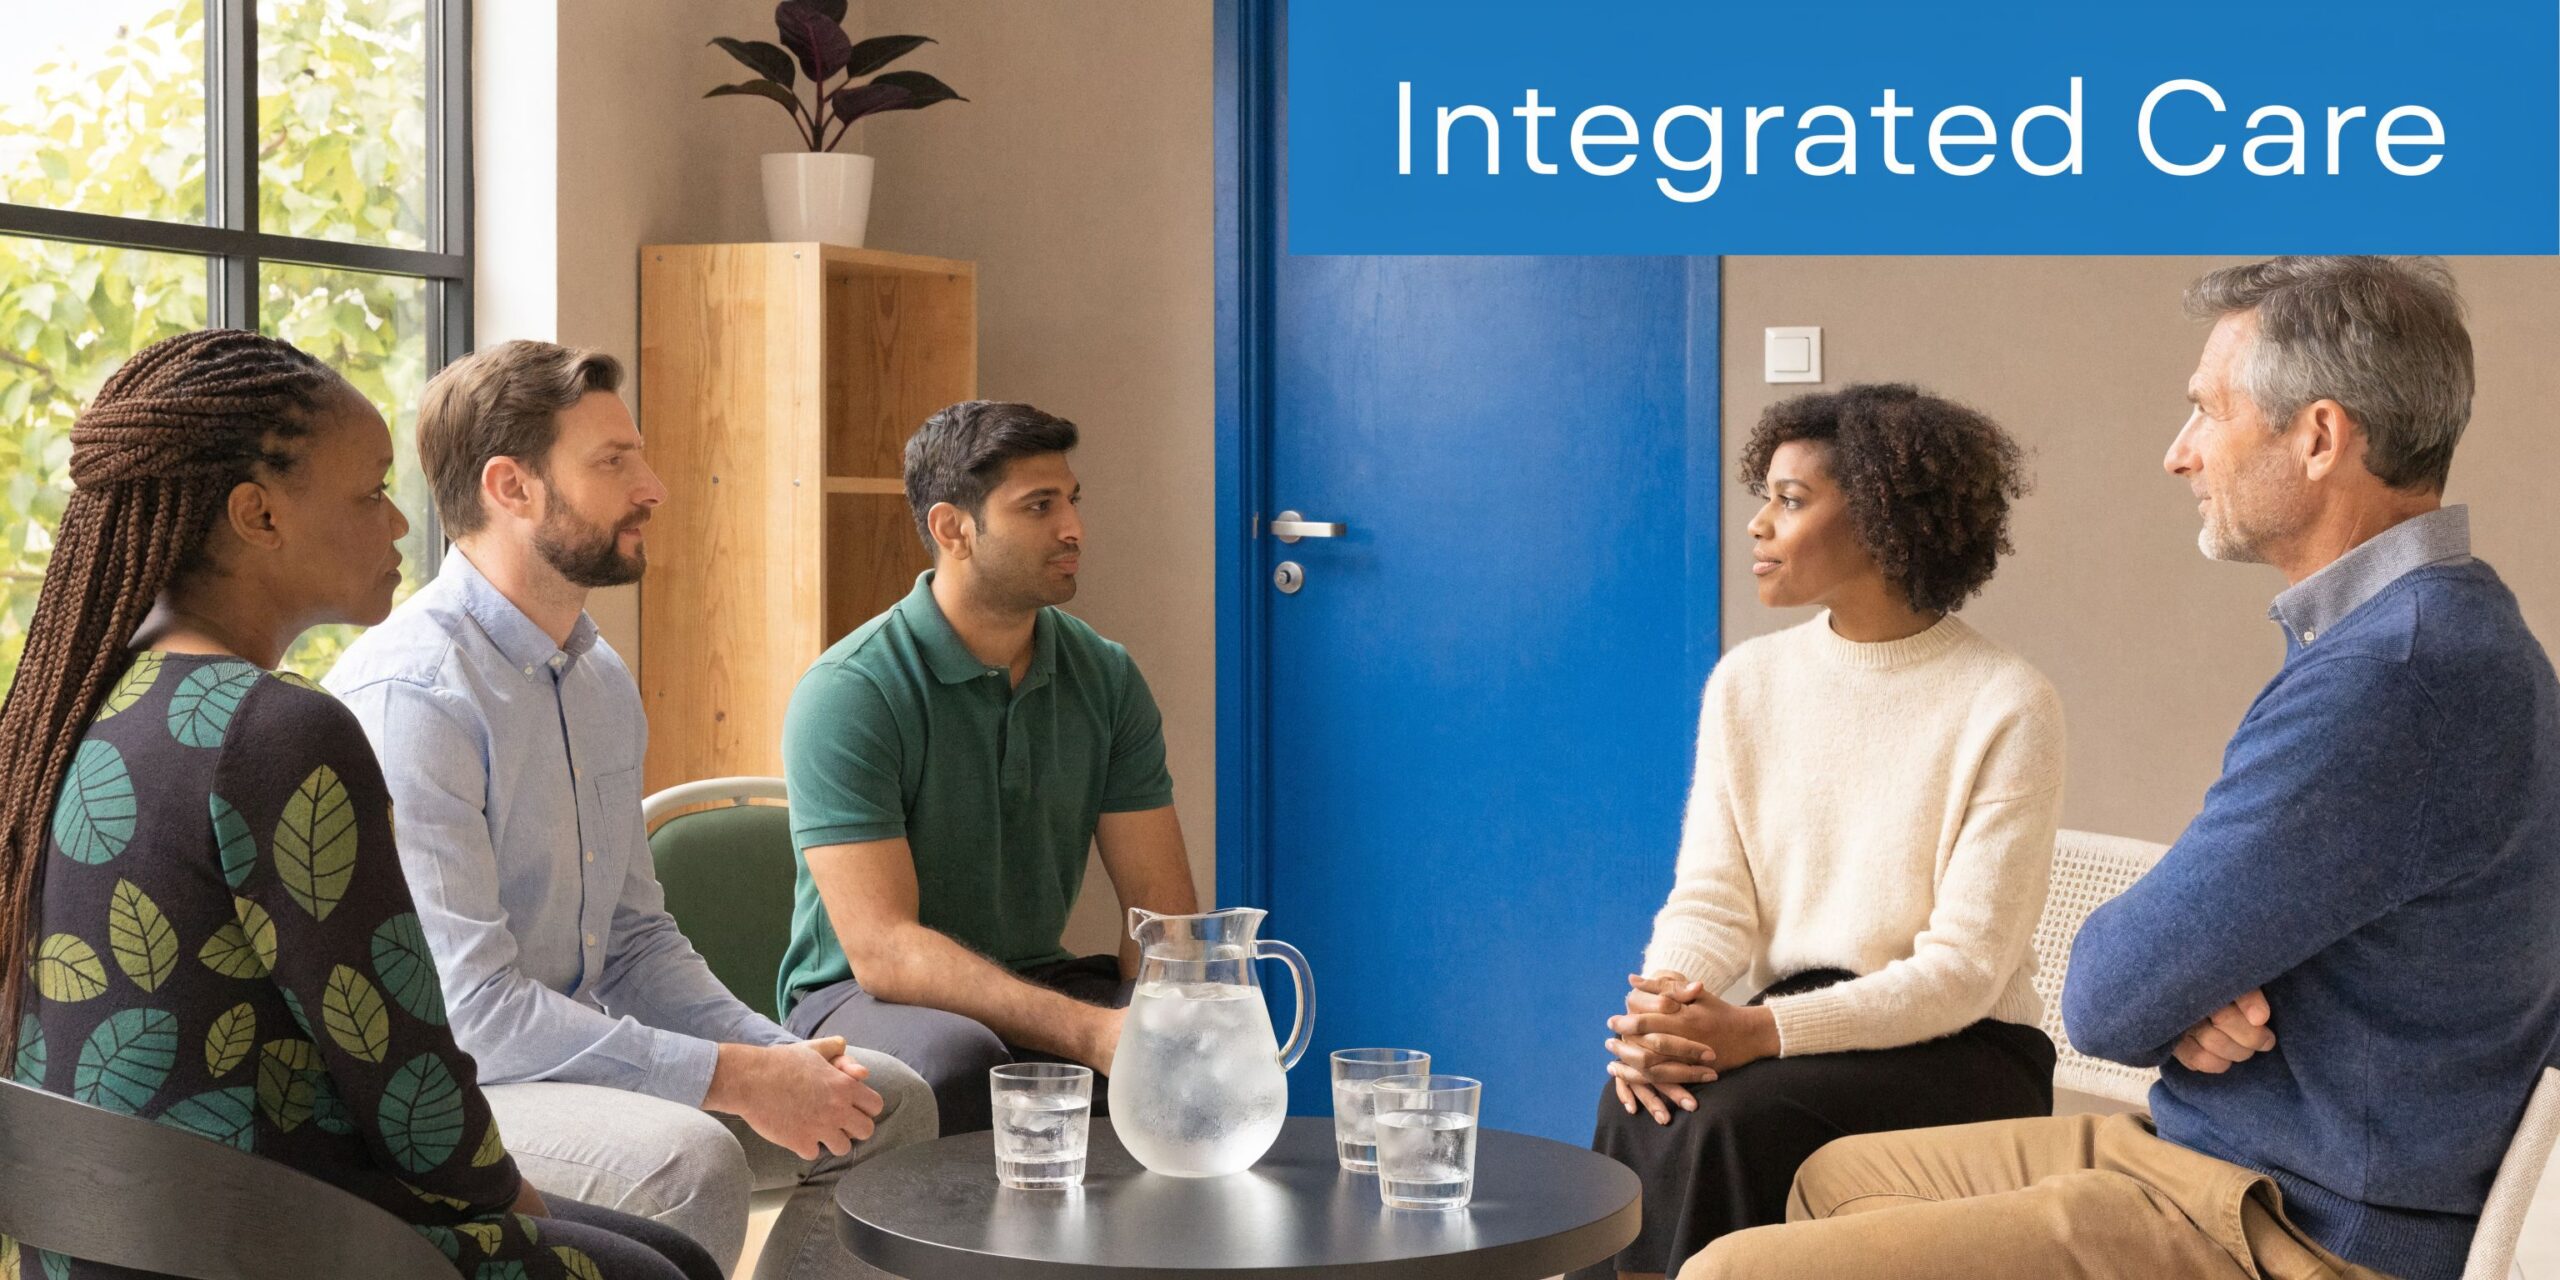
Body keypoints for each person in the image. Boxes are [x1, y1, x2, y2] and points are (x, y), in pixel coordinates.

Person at [1690, 256, 2560, 1280]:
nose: (2177, 454)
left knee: (1729, 1273)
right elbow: (2180, 957)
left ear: (2318, 437)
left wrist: (2179, 982)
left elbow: (2104, 992)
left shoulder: (2389, 676)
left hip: (2295, 1220)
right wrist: (2191, 983)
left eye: (2205, 411)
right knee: (1828, 1176)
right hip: (2221, 1146)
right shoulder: (2440, 625)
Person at [0, 329, 716, 1280]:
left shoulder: (82, 704)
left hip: (117, 1243)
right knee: (660, 1270)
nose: (399, 525)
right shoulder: (277, 733)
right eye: (371, 490)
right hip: (280, 1237)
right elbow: (406, 1073)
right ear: (258, 515)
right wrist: (518, 1203)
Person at [323, 340, 933, 1280]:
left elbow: (637, 941)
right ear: (510, 487)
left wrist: (784, 1060)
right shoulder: (415, 696)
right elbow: (474, 1016)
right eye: (613, 462)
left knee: (884, 1102)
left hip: (560, 1059)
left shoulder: (596, 676)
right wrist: (736, 1078)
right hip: (452, 1089)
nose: (653, 486)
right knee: (690, 1163)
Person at [1570, 383, 2064, 1280]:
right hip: (1798, 1024)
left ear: (1884, 518)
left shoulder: (2007, 702)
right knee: (1637, 1094)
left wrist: (1755, 1035)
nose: (1759, 525)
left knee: (1728, 1120)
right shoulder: (1747, 683)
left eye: (1791, 501)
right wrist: (1668, 1007)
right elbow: (1714, 897)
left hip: (1966, 1049)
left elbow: (1961, 974)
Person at [776, 399, 1202, 1135]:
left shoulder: (1105, 675)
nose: (1073, 528)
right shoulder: (851, 692)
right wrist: (1095, 1035)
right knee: (964, 1065)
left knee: (1194, 1046)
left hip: (1032, 976)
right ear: (953, 529)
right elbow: (884, 952)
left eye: (1071, 501)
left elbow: (1163, 917)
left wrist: (1170, 1018)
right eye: (1039, 506)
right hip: (858, 999)